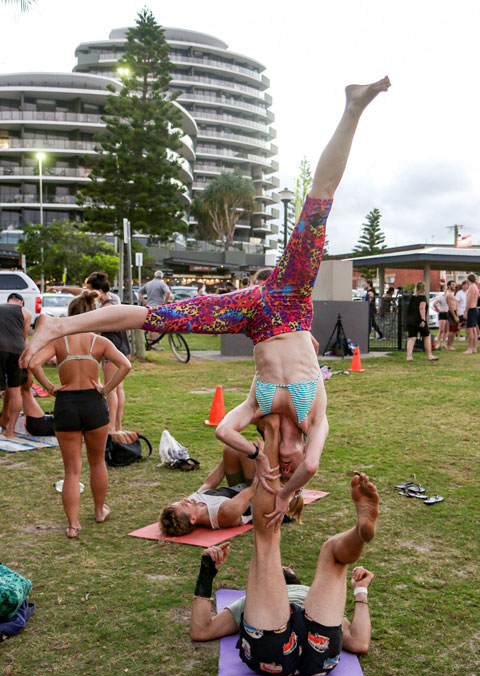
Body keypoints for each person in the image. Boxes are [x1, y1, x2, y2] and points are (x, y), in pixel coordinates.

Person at [21, 77, 391, 525]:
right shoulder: (316, 419)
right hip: (290, 304)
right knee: (319, 206)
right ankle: (353, 107)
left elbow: (223, 430)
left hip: (252, 317)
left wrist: (262, 462)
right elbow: (310, 465)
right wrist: (285, 490)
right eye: (289, 463)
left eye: (286, 463)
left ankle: (59, 324)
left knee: (155, 317)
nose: (291, 461)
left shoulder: (257, 413)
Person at [190, 470, 378, 676]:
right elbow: (359, 642)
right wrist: (360, 592)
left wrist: (206, 575)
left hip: (268, 650)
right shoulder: (311, 595)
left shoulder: (258, 600)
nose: (282, 569)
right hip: (320, 658)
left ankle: (361, 531)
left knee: (266, 542)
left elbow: (202, 631)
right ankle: (358, 534)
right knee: (332, 553)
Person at [29, 290, 131, 538]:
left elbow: (33, 364)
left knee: (72, 470)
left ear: (70, 316)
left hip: (66, 404)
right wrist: (106, 389)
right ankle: (98, 511)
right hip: (93, 403)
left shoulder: (59, 342)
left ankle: (73, 525)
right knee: (97, 462)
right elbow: (126, 365)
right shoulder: (100, 342)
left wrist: (50, 388)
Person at [190, 543, 373, 656]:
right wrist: (206, 573)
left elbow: (359, 643)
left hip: (300, 631)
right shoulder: (253, 601)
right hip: (285, 636)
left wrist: (361, 589)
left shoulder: (313, 595)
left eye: (284, 568)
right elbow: (201, 631)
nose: (282, 567)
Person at [160, 419, 304, 536]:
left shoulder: (194, 503)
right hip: (261, 497)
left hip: (243, 488)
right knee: (246, 453)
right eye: (184, 505)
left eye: (181, 501)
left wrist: (233, 441)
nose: (185, 500)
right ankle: (275, 432)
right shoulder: (224, 514)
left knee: (231, 449)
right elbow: (255, 487)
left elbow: (209, 483)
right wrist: (257, 454)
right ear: (193, 519)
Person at [52, 272, 131, 433]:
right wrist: (63, 288)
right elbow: (80, 295)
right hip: (123, 344)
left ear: (98, 291)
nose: (87, 293)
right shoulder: (114, 299)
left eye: (89, 290)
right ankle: (117, 425)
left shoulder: (106, 308)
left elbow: (94, 327)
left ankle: (111, 427)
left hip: (113, 344)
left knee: (111, 389)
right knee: (119, 388)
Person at [0, 293, 31, 438]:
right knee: (14, 390)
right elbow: (23, 338)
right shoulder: (25, 312)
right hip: (16, 351)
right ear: (21, 302)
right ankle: (10, 430)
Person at [405, 282, 438, 362]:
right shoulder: (422, 297)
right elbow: (421, 308)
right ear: (424, 288)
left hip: (410, 319)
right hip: (419, 320)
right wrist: (423, 319)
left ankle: (409, 356)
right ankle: (429, 355)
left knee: (412, 338)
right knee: (426, 336)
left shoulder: (412, 297)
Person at [463, 274, 479, 354]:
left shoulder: (472, 287)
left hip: (471, 309)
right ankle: (474, 348)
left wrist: (465, 311)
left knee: (470, 330)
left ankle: (470, 349)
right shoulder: (476, 287)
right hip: (475, 309)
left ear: (468, 280)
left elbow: (469, 300)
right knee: (474, 329)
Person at [445, 280, 459, 350]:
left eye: (454, 284)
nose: (454, 286)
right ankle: (449, 346)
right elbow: (450, 307)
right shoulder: (449, 294)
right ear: (448, 286)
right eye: (452, 285)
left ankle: (450, 345)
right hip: (451, 313)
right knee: (452, 329)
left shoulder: (452, 293)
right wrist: (455, 316)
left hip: (454, 312)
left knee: (454, 330)